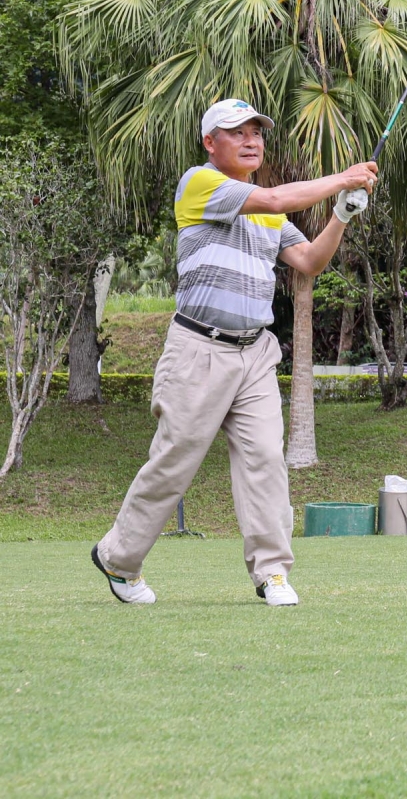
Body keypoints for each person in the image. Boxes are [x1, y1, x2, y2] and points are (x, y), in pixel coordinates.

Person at [92, 99, 377, 606]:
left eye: (257, 132)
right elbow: (269, 199)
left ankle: (272, 573)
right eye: (236, 132)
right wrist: (341, 179)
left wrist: (340, 216)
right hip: (198, 349)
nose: (251, 141)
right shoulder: (199, 184)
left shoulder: (269, 214)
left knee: (266, 459)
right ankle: (119, 558)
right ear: (210, 143)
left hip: (255, 355)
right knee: (173, 463)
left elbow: (309, 260)